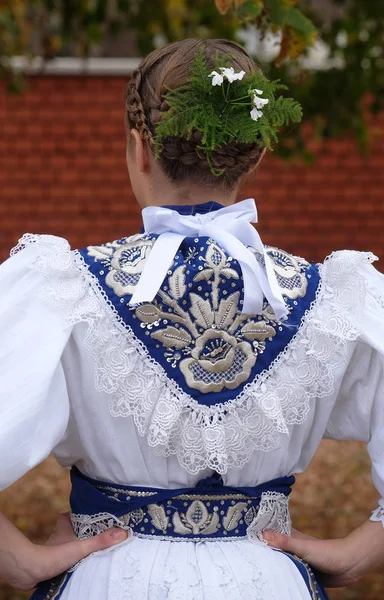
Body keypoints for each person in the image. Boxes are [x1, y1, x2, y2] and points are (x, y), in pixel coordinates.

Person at [0, 37, 384, 600]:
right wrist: (366, 549)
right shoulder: (333, 297)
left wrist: (14, 556)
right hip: (267, 582)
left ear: (140, 149)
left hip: (112, 580)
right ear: (255, 155)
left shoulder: (62, 290)